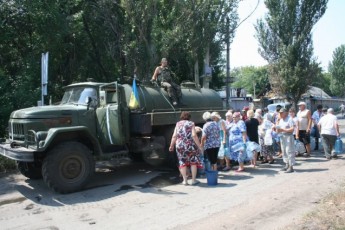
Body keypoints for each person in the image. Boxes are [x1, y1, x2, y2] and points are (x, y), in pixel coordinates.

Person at [169, 111, 203, 185]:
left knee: (182, 162)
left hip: (180, 145)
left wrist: (171, 145)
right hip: (190, 145)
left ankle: (185, 180)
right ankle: (193, 180)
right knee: (193, 162)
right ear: (189, 117)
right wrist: (199, 146)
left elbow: (174, 135)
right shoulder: (191, 123)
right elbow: (194, 135)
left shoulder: (178, 124)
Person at [276, 108, 295, 173]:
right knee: (284, 151)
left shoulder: (289, 119)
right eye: (280, 113)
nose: (280, 114)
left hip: (288, 136)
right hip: (282, 136)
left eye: (281, 113)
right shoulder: (281, 120)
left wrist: (283, 130)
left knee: (289, 151)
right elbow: (279, 128)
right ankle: (287, 164)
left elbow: (292, 129)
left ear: (286, 113)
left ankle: (291, 167)